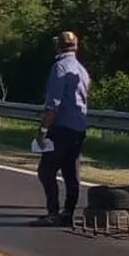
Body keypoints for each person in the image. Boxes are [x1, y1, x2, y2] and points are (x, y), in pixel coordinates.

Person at [31, 31, 91, 227]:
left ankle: (54, 212)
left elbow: (53, 104)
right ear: (76, 46)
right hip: (78, 127)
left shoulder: (60, 67)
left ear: (58, 46)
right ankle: (68, 213)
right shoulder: (82, 70)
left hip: (62, 127)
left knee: (46, 171)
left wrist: (43, 129)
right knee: (71, 173)